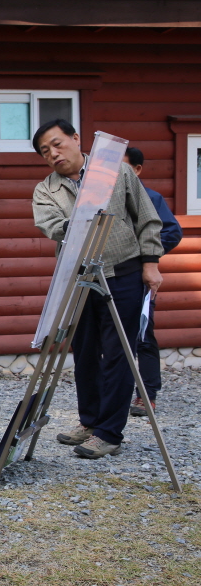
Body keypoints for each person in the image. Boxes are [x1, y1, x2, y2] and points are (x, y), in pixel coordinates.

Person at [32, 120, 163, 459]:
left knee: (118, 353)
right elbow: (53, 226)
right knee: (85, 351)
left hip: (124, 272)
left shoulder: (116, 172)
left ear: (76, 139)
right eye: (45, 151)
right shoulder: (46, 190)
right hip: (79, 277)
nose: (53, 154)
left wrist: (151, 263)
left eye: (58, 144)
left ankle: (109, 433)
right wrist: (84, 217)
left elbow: (147, 217)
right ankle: (90, 421)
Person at [122, 147, 182, 417]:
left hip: (138, 276)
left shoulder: (151, 198)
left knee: (143, 335)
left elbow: (172, 232)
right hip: (111, 276)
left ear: (137, 170)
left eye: (122, 167)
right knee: (113, 340)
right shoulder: (104, 199)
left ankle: (146, 395)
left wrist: (147, 256)